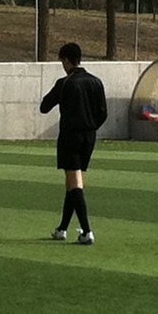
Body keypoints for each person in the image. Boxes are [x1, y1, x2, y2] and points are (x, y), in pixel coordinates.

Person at [40, 42, 107, 246]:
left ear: (67, 60)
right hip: (89, 135)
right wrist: (90, 126)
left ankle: (87, 231)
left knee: (74, 180)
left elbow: (44, 107)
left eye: (62, 61)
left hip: (70, 135)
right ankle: (62, 228)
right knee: (72, 180)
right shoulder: (96, 82)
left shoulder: (65, 83)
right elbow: (103, 113)